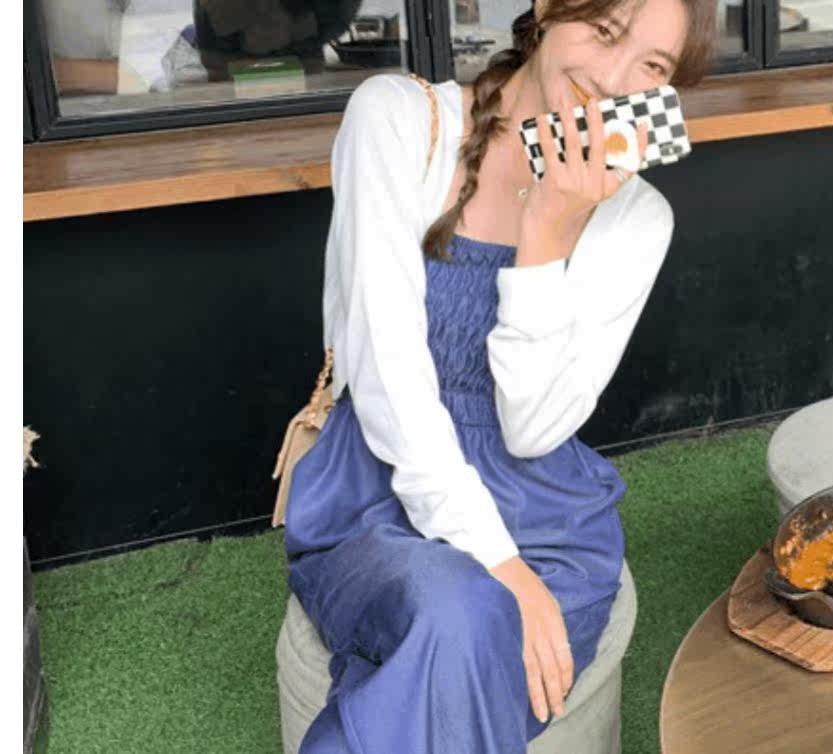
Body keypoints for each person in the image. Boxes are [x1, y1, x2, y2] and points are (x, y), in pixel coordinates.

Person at [280, 0, 714, 751]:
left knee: (457, 639)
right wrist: (498, 563)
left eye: (651, 65)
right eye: (604, 32)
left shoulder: (638, 219)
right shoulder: (398, 120)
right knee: (458, 609)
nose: (613, 79)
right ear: (545, 10)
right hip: (379, 488)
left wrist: (546, 233)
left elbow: (534, 428)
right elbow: (386, 375)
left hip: (544, 517)